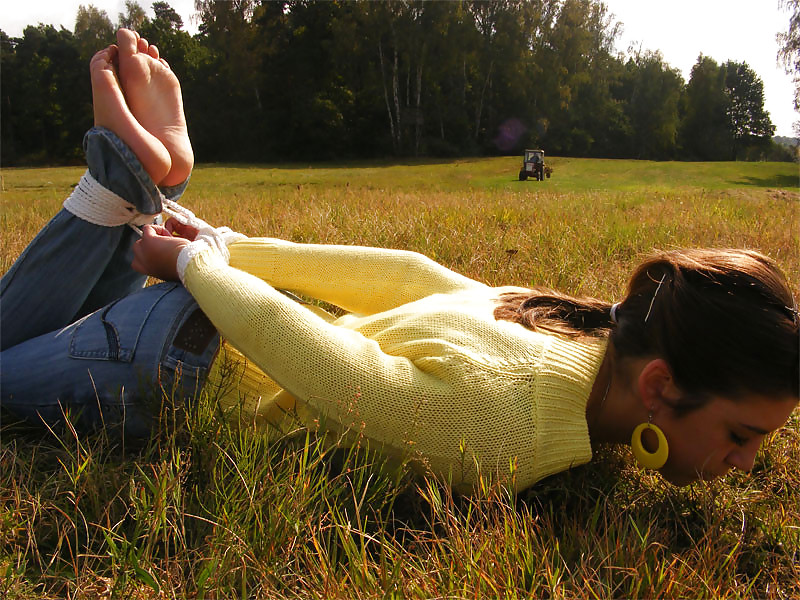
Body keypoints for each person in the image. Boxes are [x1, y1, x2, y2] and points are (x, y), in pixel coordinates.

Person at [1, 30, 798, 493]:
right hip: (181, 365)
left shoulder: (565, 327)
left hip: (197, 325)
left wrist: (225, 250)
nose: (747, 462)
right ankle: (119, 185)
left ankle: (125, 185)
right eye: (741, 434)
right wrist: (202, 267)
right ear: (659, 386)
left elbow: (411, 273)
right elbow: (342, 373)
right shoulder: (506, 440)